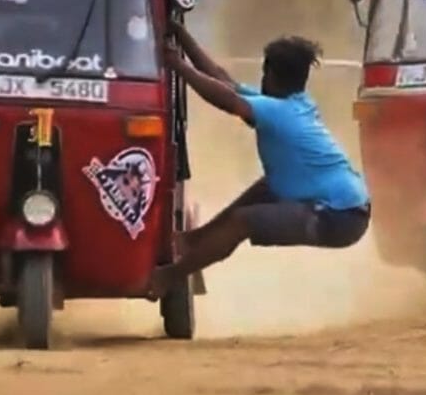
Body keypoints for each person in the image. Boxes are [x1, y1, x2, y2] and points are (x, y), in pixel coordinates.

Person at [145, 21, 371, 299]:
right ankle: (195, 241)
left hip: (340, 217)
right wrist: (182, 35)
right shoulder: (295, 101)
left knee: (242, 221)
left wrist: (178, 66)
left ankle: (169, 277)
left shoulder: (276, 111)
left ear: (270, 75)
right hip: (350, 206)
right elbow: (221, 79)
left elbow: (226, 99)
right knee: (268, 187)